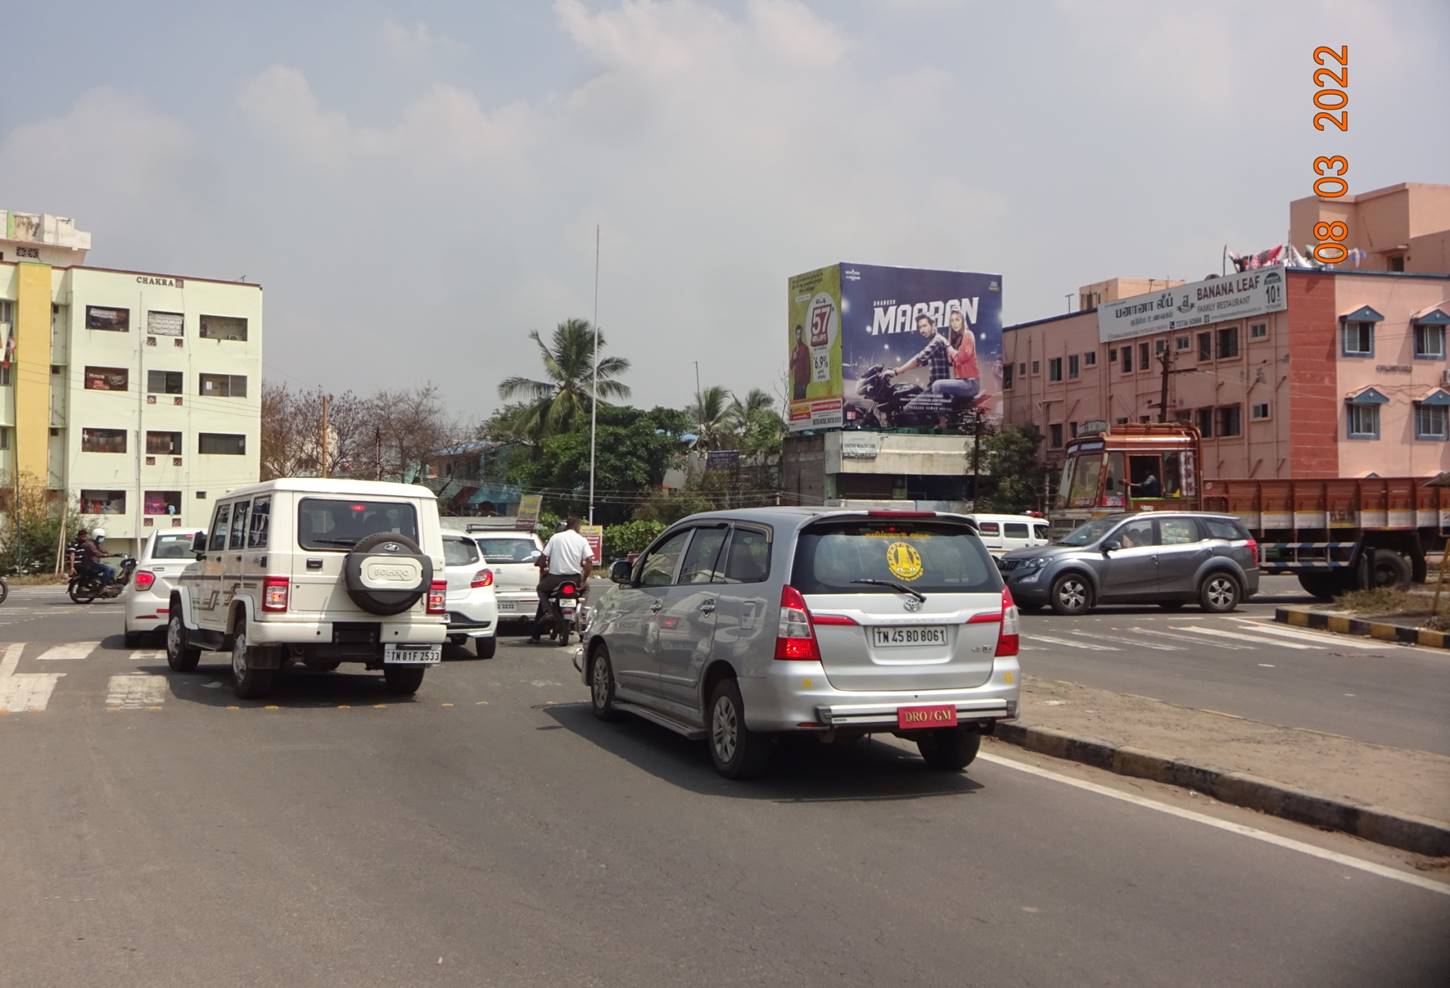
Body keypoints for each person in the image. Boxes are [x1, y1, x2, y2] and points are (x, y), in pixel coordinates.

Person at [527, 517, 594, 644]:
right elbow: (589, 561)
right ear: (578, 526)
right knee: (587, 588)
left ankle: (548, 612)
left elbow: (543, 557)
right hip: (574, 579)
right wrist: (583, 580)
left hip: (554, 579)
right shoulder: (582, 540)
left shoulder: (555, 538)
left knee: (541, 589)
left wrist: (540, 564)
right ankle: (580, 613)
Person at [888, 314, 954, 419]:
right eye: (920, 327)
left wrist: (897, 371)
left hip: (937, 390)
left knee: (907, 409)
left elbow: (919, 359)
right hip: (935, 388)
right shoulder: (936, 341)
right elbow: (922, 362)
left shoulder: (937, 341)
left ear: (933, 325)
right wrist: (901, 369)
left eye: (924, 326)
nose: (922, 330)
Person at [934, 309, 981, 404]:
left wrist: (948, 346)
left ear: (963, 321)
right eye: (952, 320)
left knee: (937, 385)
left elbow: (961, 358)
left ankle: (940, 417)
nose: (954, 323)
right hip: (962, 382)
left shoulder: (968, 335)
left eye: (957, 319)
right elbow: (951, 361)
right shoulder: (955, 340)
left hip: (970, 383)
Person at [790, 325, 810, 401]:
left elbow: (808, 366)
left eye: (800, 334)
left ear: (802, 335)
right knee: (796, 409)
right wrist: (794, 359)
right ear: (795, 335)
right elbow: (791, 366)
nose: (799, 336)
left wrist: (806, 383)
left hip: (802, 384)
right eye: (797, 334)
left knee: (802, 407)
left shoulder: (805, 348)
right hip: (796, 383)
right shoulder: (794, 350)